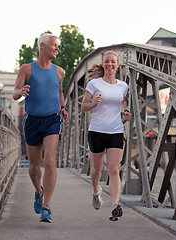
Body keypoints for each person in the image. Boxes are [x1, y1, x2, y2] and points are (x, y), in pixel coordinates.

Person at [12, 33, 69, 223]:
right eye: (54, 45)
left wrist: (63, 108)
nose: (57, 48)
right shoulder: (27, 69)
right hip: (33, 121)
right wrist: (21, 91)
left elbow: (59, 92)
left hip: (53, 120)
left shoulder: (59, 71)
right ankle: (38, 191)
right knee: (34, 167)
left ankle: (47, 206)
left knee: (50, 161)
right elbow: (14, 93)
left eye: (58, 46)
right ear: (43, 46)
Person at [81, 51, 132, 221]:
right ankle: (96, 192)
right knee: (96, 170)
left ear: (118, 65)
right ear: (103, 64)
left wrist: (125, 111)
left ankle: (115, 205)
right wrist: (94, 103)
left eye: (113, 62)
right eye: (107, 62)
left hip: (116, 131)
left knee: (113, 169)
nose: (110, 64)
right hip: (97, 131)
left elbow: (121, 101)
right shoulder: (94, 84)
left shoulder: (122, 86)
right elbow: (83, 107)